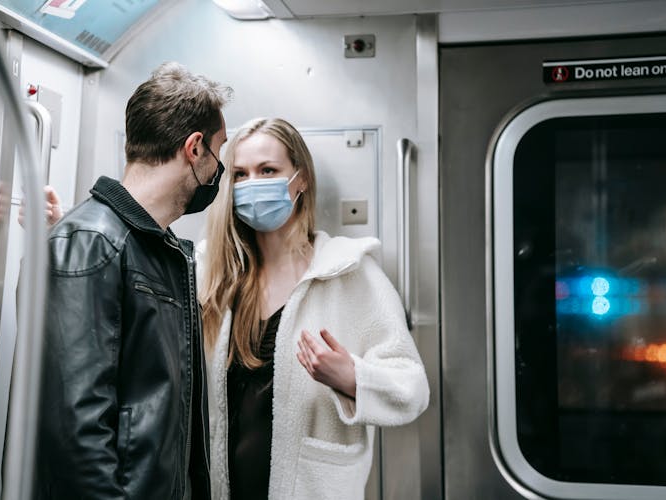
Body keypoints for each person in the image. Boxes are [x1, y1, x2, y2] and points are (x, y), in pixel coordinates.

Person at [198, 118, 430, 500]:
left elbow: (412, 390)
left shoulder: (349, 274)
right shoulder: (214, 276)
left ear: (300, 179)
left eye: (268, 170)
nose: (253, 184)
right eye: (240, 174)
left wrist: (351, 377)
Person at [34, 62, 232, 500]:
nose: (219, 172)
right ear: (194, 148)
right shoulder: (90, 243)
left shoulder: (159, 249)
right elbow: (75, 428)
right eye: (219, 152)